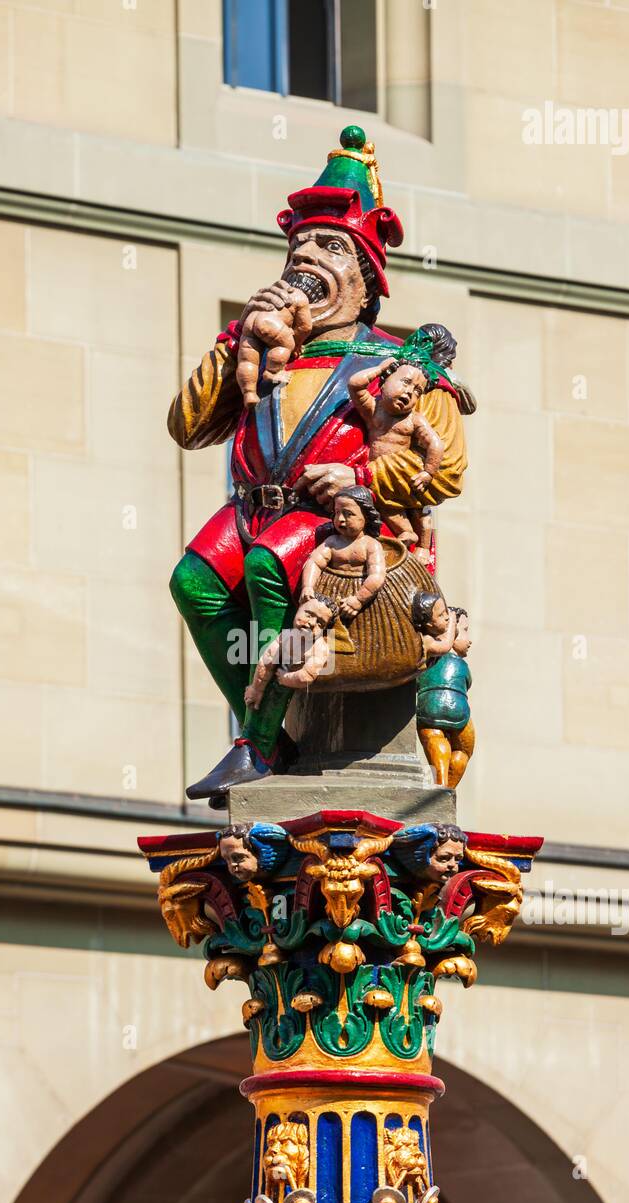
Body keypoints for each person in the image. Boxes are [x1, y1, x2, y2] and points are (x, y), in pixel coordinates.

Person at [168, 126, 471, 802]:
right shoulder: (262, 347)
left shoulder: (396, 367)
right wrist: (234, 339)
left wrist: (362, 478)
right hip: (252, 508)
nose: (306, 259)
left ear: (366, 281)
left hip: (335, 525)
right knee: (192, 580)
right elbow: (186, 428)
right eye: (299, 247)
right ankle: (268, 732)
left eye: (331, 247)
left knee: (268, 565)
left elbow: (445, 469)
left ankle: (255, 738)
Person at [348, 357, 444, 560]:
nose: (410, 392)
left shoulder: (414, 420)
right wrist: (381, 367)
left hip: (404, 478)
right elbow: (355, 384)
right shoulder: (373, 410)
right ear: (384, 381)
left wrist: (428, 472)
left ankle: (424, 548)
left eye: (418, 391)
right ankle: (406, 532)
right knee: (385, 507)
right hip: (380, 480)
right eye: (406, 382)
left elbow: (435, 444)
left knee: (421, 513)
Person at [300, 487, 386, 621]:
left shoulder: (371, 545)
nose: (340, 519)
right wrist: (308, 587)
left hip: (360, 598)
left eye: (348, 514)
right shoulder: (332, 542)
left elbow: (377, 576)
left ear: (366, 516)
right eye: (337, 512)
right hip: (330, 596)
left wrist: (359, 599)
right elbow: (314, 562)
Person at [415, 604, 475, 788]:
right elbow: (467, 682)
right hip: (460, 711)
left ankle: (442, 786)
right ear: (453, 630)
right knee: (464, 750)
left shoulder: (428, 657)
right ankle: (446, 788)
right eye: (465, 631)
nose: (469, 640)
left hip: (429, 707)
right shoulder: (436, 651)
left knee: (435, 740)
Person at [244, 595, 339, 709]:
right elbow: (266, 662)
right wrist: (256, 688)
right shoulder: (285, 637)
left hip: (304, 697)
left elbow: (306, 676)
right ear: (298, 608)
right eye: (308, 615)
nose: (313, 623)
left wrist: (285, 678)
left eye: (320, 623)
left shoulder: (319, 649)